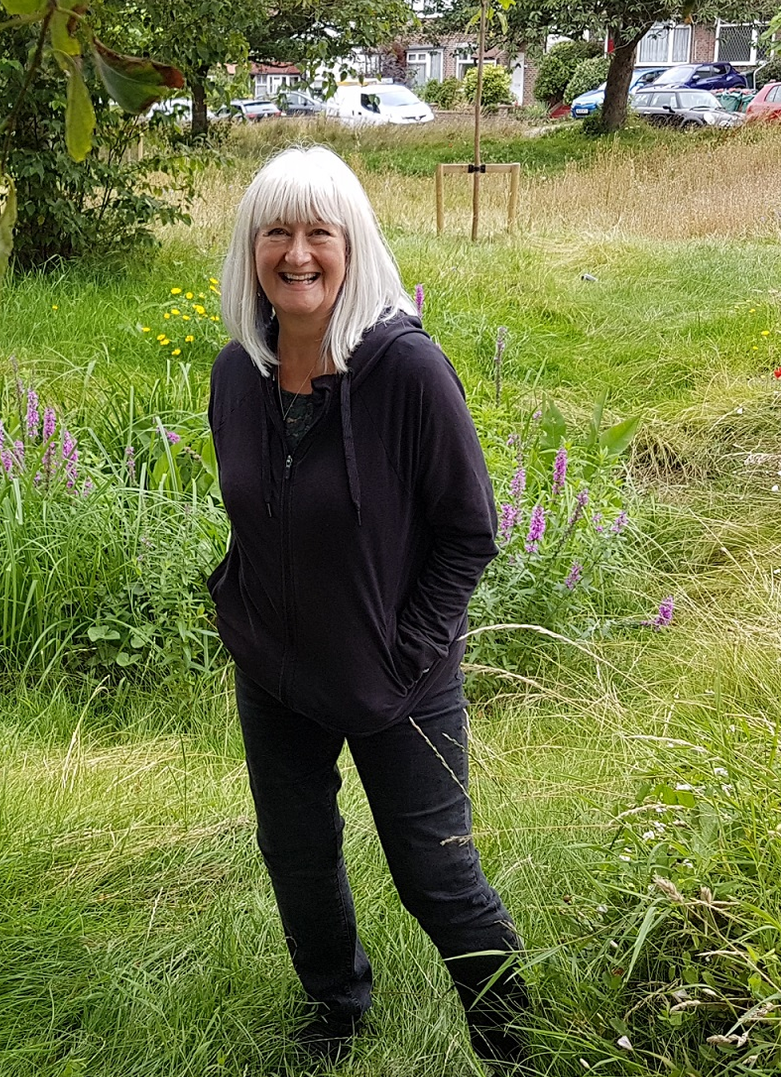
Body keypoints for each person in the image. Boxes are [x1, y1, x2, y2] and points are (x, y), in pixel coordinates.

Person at [205, 146, 531, 1070]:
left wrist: (404, 656)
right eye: (277, 231)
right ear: (252, 248)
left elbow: (469, 532)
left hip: (400, 680)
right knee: (297, 858)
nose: (297, 253)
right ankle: (338, 1015)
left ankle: (515, 1041)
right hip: (275, 673)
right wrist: (244, 610)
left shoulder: (406, 371)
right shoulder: (239, 373)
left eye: (319, 232)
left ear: (353, 245)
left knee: (438, 875)